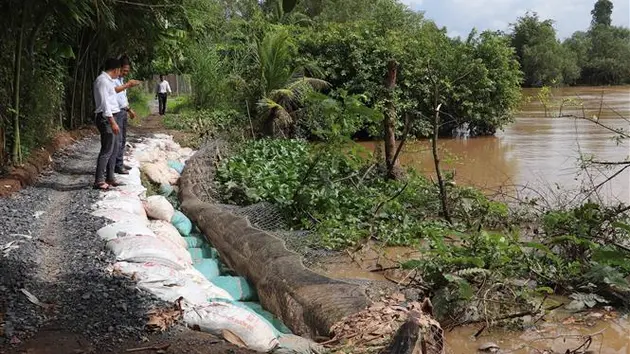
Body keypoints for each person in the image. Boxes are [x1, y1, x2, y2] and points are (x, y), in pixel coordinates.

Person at [93, 58, 122, 191]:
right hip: (106, 119)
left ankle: (110, 177)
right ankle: (99, 180)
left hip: (111, 117)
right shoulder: (102, 81)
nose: (119, 73)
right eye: (119, 70)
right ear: (115, 69)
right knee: (107, 149)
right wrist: (112, 122)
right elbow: (105, 104)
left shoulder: (109, 81)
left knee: (114, 148)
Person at [113, 55, 139, 175]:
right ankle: (116, 166)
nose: (125, 73)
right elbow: (116, 95)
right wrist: (128, 84)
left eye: (127, 71)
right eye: (124, 71)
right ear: (118, 68)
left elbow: (123, 98)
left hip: (123, 112)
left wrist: (129, 110)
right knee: (117, 140)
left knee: (122, 140)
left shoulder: (122, 80)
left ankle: (119, 163)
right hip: (116, 113)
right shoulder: (113, 80)